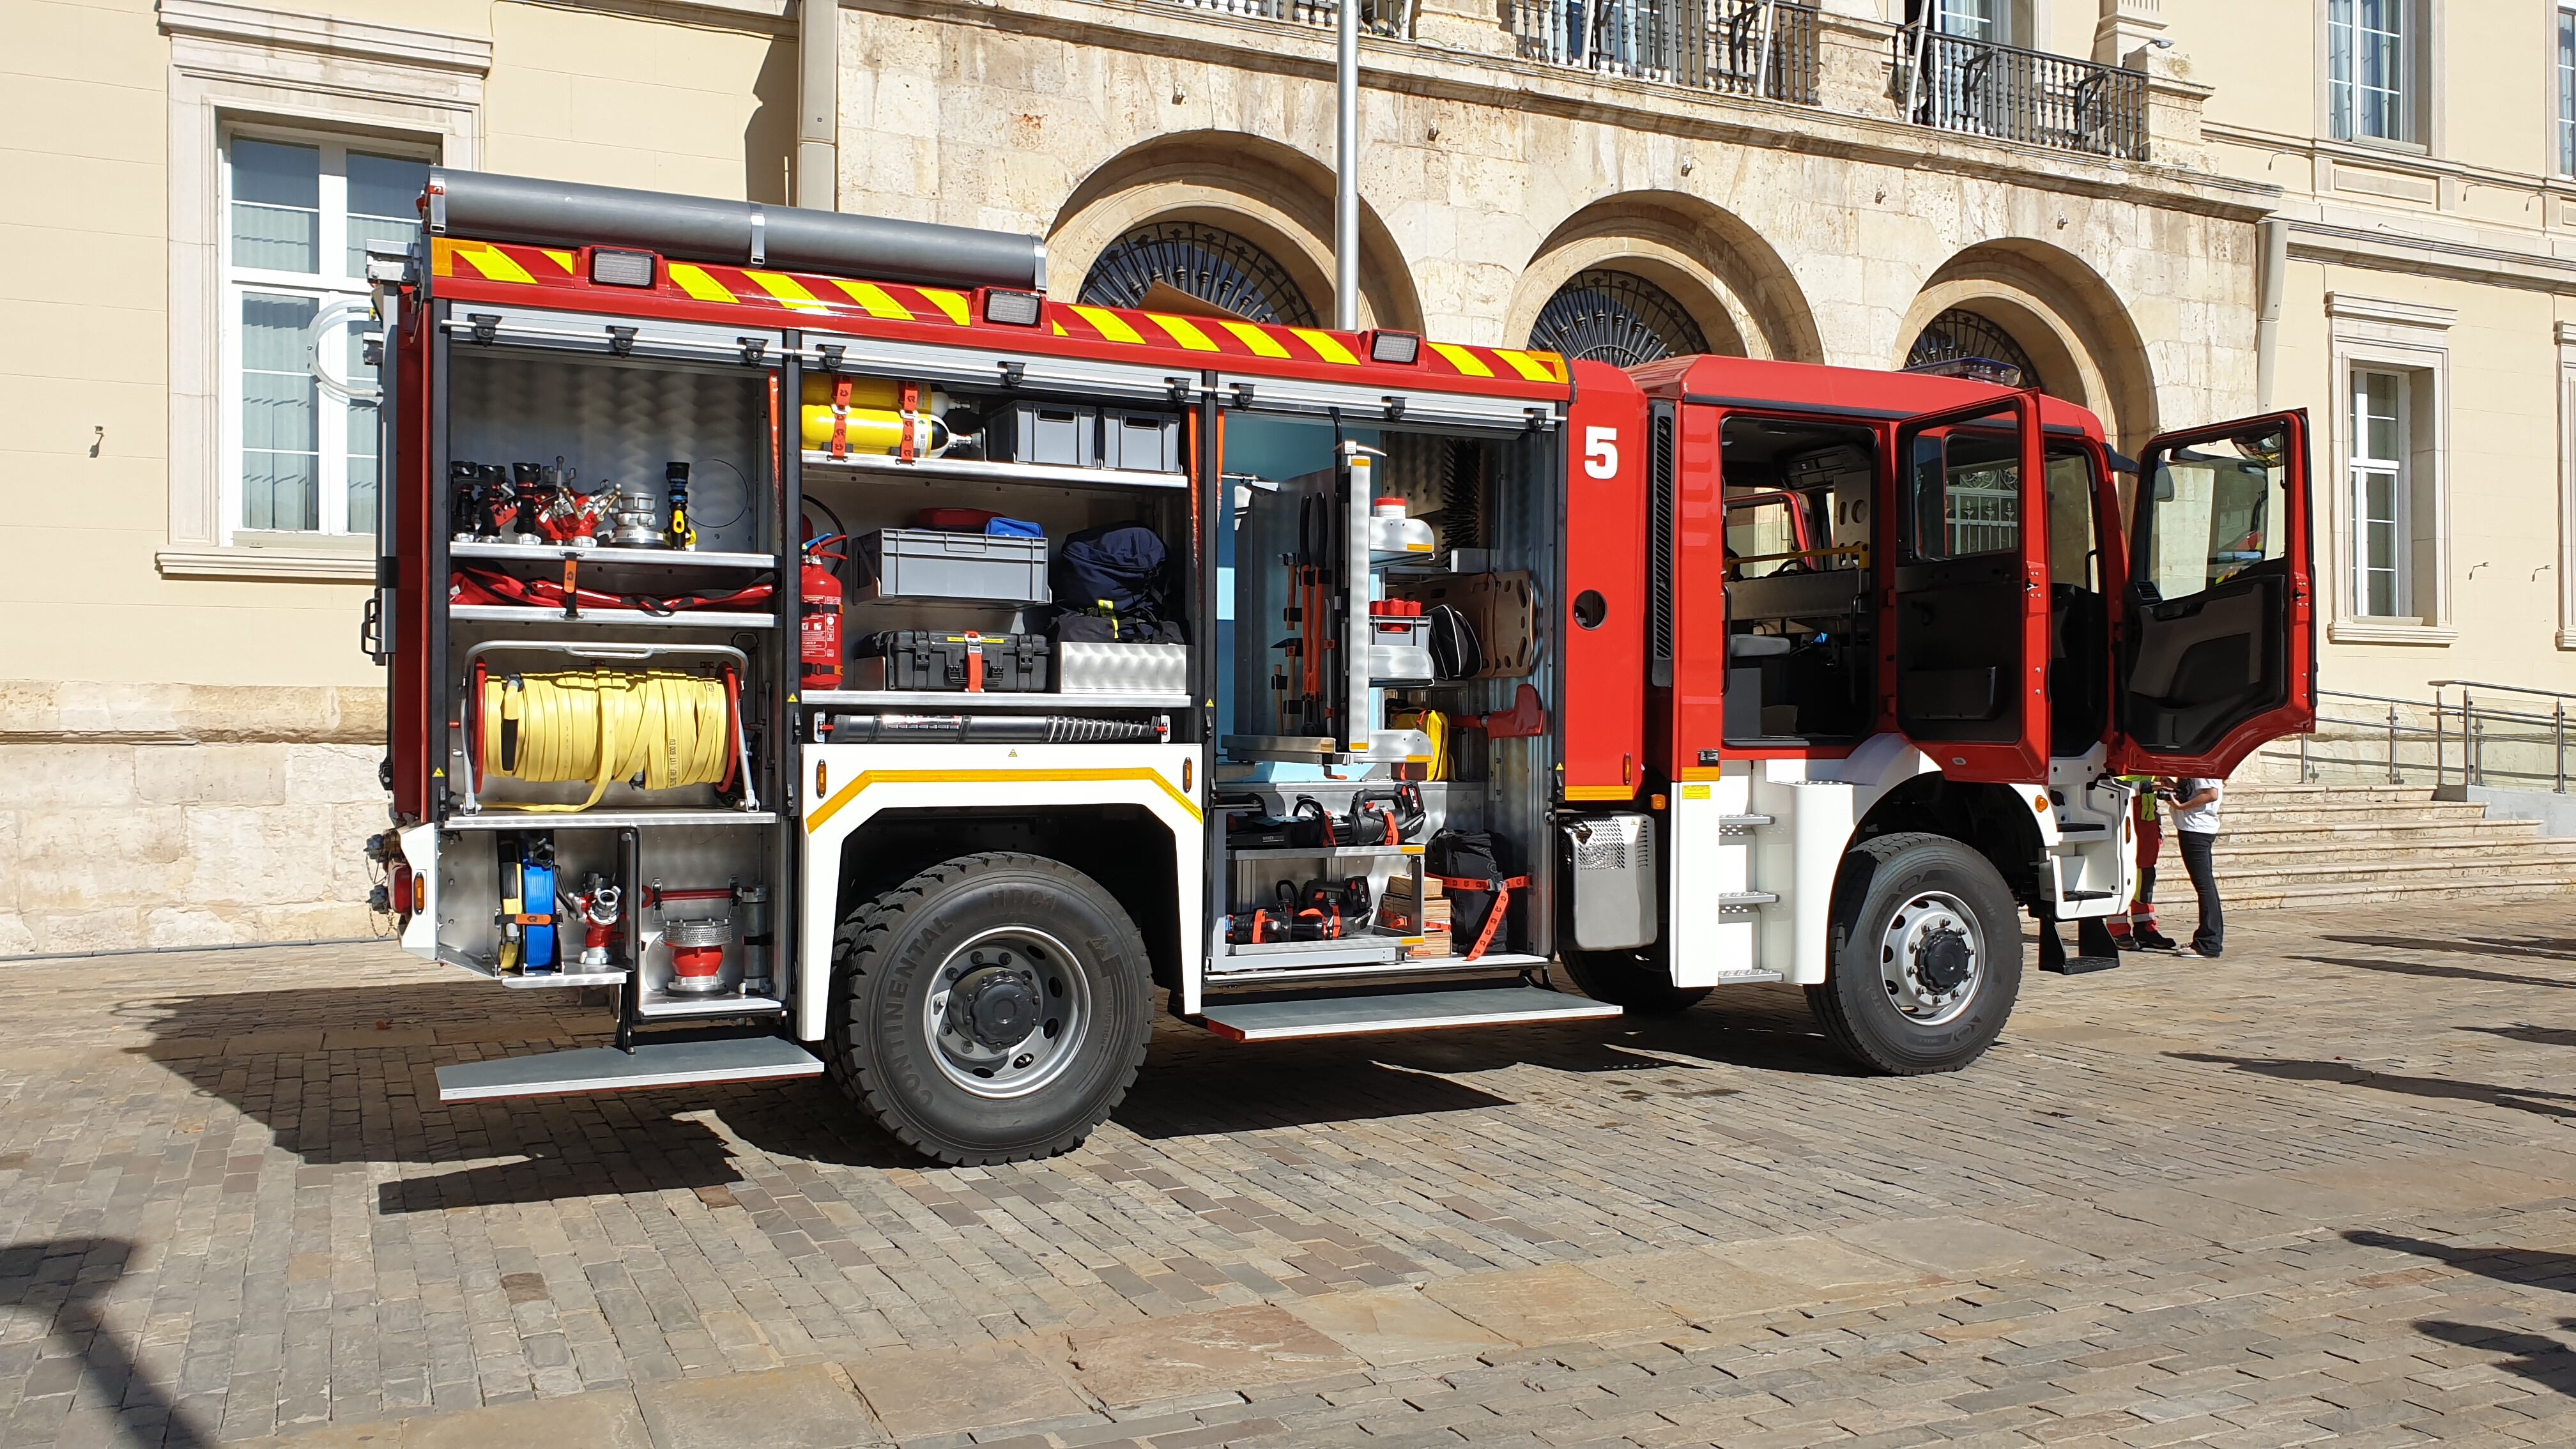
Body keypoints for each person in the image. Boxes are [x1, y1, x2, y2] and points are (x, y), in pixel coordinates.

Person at [2164, 775, 2225, 958]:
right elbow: (2198, 790)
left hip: (2196, 829)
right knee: (2205, 884)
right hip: (2195, 828)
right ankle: (2208, 937)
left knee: (2204, 885)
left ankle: (2208, 942)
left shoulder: (2204, 768)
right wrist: (2175, 788)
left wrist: (2181, 807)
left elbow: (2211, 794)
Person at [2117, 774, 2179, 951]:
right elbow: (2114, 784)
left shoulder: (2151, 766)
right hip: (2122, 818)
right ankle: (2118, 930)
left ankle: (2145, 928)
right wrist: (2150, 786)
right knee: (2121, 874)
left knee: (2145, 876)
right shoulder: (2118, 757)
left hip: (2147, 821)